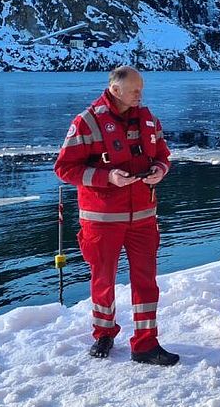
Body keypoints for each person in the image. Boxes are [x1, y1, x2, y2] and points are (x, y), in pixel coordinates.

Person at [54, 66, 179, 366]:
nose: (140, 94)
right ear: (115, 89)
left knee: (146, 281)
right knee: (103, 279)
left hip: (144, 217)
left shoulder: (149, 120)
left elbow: (163, 155)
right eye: (135, 89)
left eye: (141, 89)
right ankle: (104, 333)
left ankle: (146, 344)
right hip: (102, 219)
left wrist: (159, 171)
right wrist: (107, 178)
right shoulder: (86, 122)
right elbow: (64, 168)